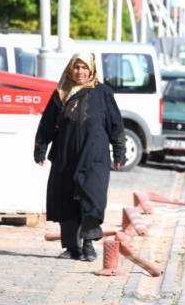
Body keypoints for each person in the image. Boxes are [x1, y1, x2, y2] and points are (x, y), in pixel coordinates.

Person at [34, 53, 126, 261]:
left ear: (91, 69)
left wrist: (119, 152)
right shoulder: (61, 93)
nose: (80, 72)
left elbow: (116, 125)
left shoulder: (102, 93)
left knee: (92, 198)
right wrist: (40, 147)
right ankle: (72, 247)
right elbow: (47, 123)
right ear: (70, 69)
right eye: (77, 67)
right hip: (65, 156)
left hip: (94, 156)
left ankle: (88, 244)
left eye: (84, 68)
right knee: (66, 200)